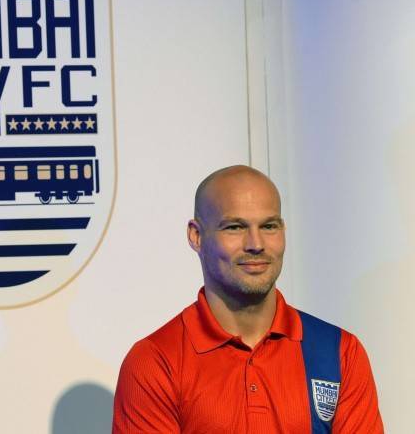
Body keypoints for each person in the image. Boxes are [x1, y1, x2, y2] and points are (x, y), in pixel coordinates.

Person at [112, 165, 383, 433]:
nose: (256, 244)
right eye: (235, 227)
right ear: (196, 236)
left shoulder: (340, 352)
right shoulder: (155, 362)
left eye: (269, 226)